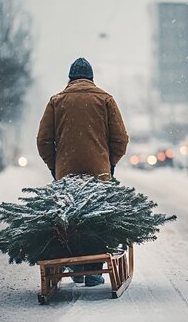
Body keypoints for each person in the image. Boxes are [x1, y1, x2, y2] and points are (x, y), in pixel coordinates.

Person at [36, 57, 129, 286]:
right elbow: (120, 140)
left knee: (70, 220)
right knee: (97, 219)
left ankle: (74, 263)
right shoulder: (105, 100)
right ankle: (94, 271)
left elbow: (43, 141)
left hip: (66, 173)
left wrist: (55, 165)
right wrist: (109, 163)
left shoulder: (56, 101)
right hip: (98, 174)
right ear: (91, 79)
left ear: (70, 79)